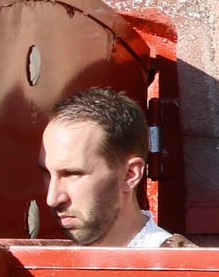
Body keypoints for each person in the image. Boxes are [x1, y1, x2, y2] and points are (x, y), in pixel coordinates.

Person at [40, 86, 192, 248]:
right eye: (47, 174)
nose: (52, 198)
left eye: (72, 174)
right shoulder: (42, 266)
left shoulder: (187, 269)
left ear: (130, 174)